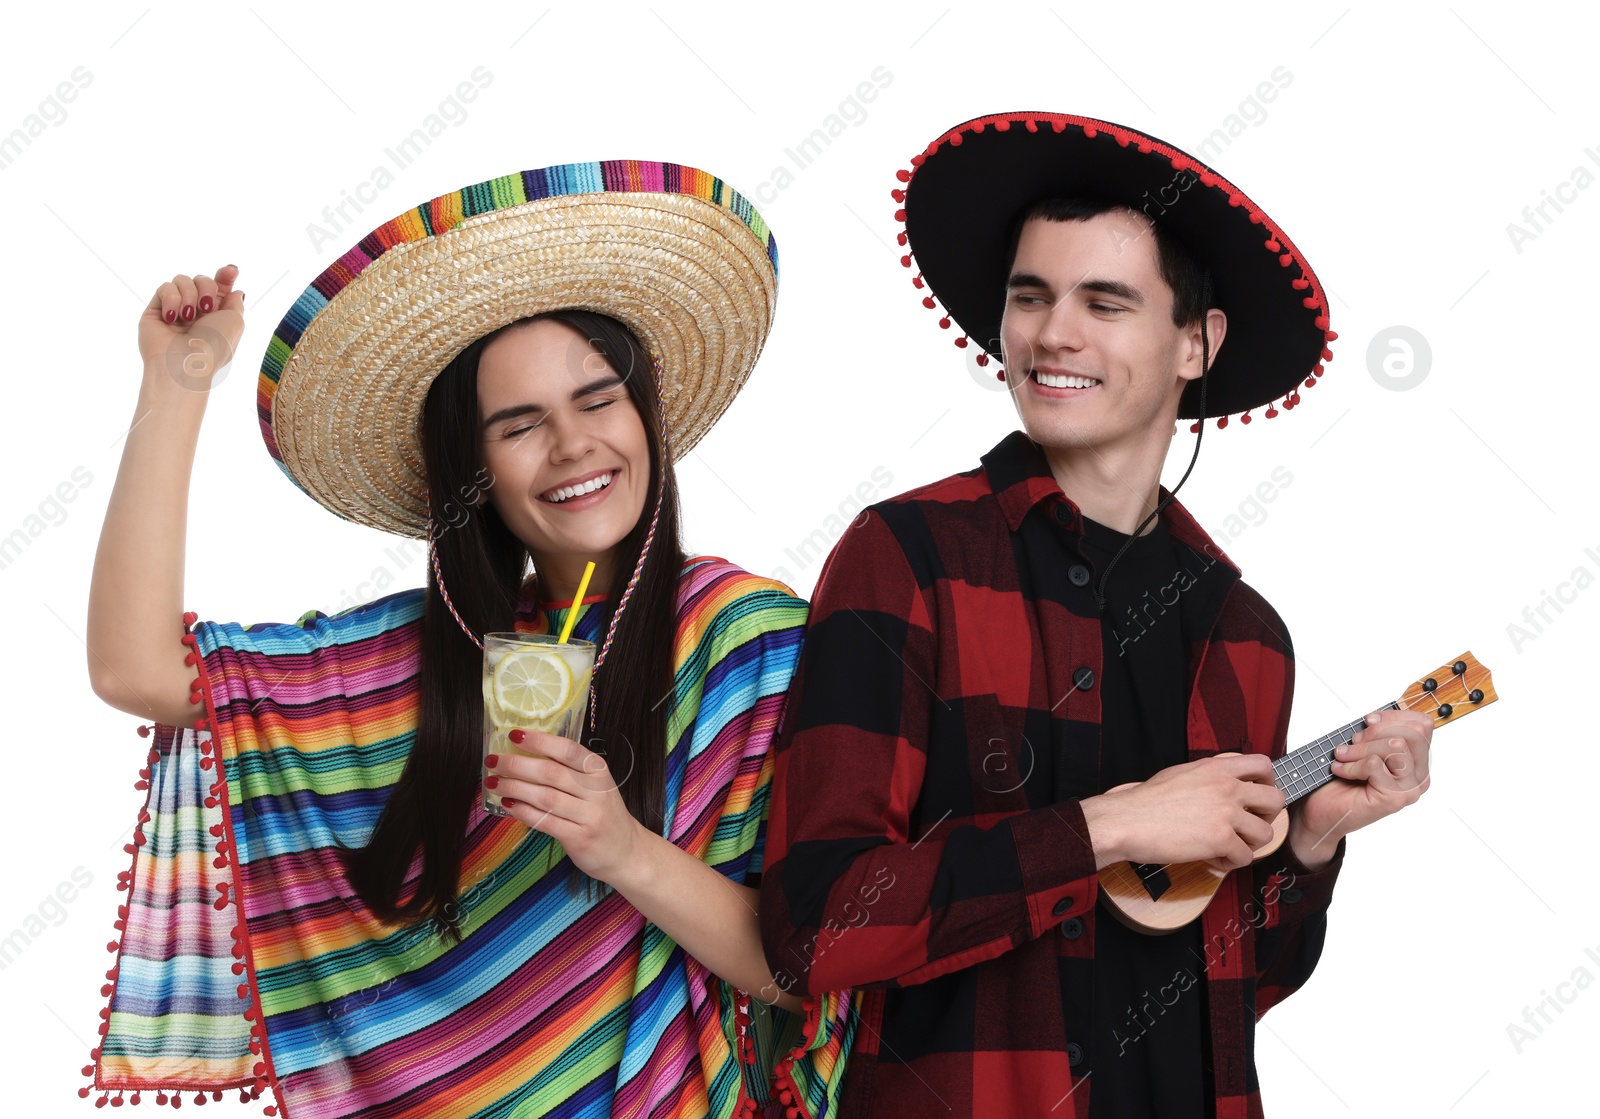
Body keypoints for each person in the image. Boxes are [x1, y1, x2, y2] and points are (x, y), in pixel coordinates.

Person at [82, 161, 857, 1118]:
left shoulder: (750, 644)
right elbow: (136, 667)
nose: (572, 444)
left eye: (598, 398)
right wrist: (176, 382)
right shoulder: (437, 656)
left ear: (647, 413)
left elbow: (813, 966)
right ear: (472, 470)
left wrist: (620, 846)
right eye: (519, 425)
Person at [758, 113, 1434, 1118]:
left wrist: (1311, 845)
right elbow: (814, 929)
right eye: (1030, 296)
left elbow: (1238, 984)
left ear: (1194, 344)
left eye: (1104, 301)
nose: (1050, 334)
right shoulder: (909, 556)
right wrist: (1105, 827)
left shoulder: (1245, 634)